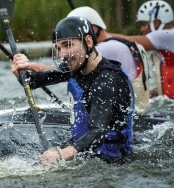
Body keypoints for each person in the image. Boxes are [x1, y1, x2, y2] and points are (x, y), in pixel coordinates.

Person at [12, 16, 135, 164]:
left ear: (88, 41)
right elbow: (31, 82)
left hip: (111, 160)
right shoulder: (75, 67)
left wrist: (64, 153)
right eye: (58, 48)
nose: (62, 54)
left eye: (67, 45)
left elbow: (98, 130)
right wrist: (20, 71)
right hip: (84, 153)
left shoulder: (107, 79)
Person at [67, 6, 150, 114]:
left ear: (94, 29)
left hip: (127, 115)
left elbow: (67, 69)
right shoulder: (116, 43)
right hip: (135, 109)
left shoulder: (106, 48)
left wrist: (40, 69)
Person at [111, 0, 174, 99]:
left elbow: (129, 41)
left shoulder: (167, 35)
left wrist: (102, 35)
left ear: (157, 23)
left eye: (144, 24)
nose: (141, 29)